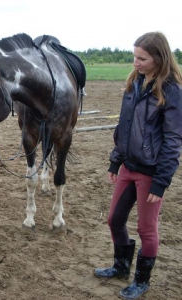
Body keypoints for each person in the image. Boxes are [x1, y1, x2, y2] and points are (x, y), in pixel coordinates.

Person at [94, 32, 182, 299]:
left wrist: (161, 180)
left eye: (142, 58)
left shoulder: (171, 91)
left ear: (159, 57)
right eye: (134, 57)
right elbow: (124, 126)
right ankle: (121, 267)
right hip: (128, 167)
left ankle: (141, 281)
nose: (136, 63)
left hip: (151, 173)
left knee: (146, 229)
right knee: (114, 220)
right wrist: (115, 160)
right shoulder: (134, 84)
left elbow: (173, 139)